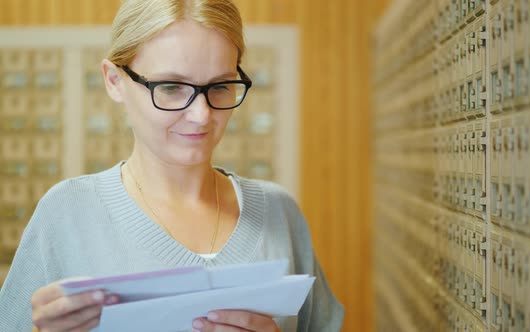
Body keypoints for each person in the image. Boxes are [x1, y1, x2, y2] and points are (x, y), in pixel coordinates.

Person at [0, 0, 344, 331]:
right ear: (114, 81)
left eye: (220, 86)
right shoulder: (65, 213)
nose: (201, 115)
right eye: (171, 87)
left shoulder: (279, 214)